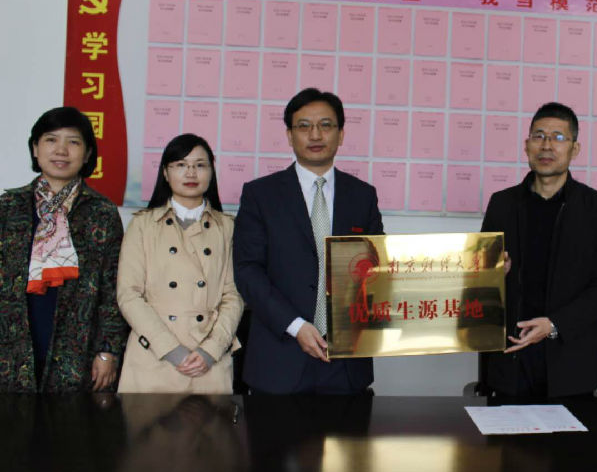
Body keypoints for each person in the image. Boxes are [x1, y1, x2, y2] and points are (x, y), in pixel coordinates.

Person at [234, 88, 383, 394]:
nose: (315, 135)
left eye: (326, 125)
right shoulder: (260, 195)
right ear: (290, 136)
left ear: (341, 134)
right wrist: (296, 325)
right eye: (304, 126)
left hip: (346, 362)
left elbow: (377, 268)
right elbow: (248, 271)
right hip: (280, 357)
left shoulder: (362, 196)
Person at [480, 102, 597, 398]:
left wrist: (555, 325)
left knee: (571, 431)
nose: (547, 146)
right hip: (510, 359)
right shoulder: (502, 204)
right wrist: (494, 273)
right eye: (539, 136)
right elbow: (479, 279)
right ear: (526, 145)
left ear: (575, 148)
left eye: (558, 137)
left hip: (570, 359)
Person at [0, 107, 127, 392]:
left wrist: (108, 351)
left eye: (73, 142)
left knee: (69, 421)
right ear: (35, 148)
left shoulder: (101, 213)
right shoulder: (8, 207)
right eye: (51, 140)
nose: (61, 150)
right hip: (11, 348)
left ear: (87, 153)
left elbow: (114, 288)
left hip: (78, 352)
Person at [117, 134, 243, 393]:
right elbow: (129, 295)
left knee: (209, 421)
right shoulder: (142, 225)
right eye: (181, 165)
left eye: (200, 165)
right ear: (165, 173)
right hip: (153, 357)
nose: (191, 173)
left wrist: (211, 350)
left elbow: (234, 295)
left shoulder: (228, 227)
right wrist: (171, 350)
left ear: (211, 172)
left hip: (209, 360)